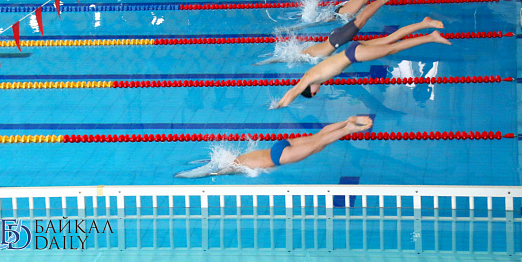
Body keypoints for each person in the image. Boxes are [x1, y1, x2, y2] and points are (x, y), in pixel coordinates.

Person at [273, 17, 451, 108]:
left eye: (314, 93)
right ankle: (424, 24)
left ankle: (430, 37)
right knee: (390, 39)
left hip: (354, 54)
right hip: (353, 50)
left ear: (310, 90)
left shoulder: (309, 78)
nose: (318, 91)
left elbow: (293, 91)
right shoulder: (315, 76)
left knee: (393, 48)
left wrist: (279, 105)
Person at [175, 116, 373, 177]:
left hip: (279, 156)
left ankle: (348, 128)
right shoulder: (240, 158)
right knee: (318, 139)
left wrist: (187, 175)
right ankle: (346, 122)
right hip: (279, 147)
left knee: (319, 142)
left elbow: (211, 172)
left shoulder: (234, 166)